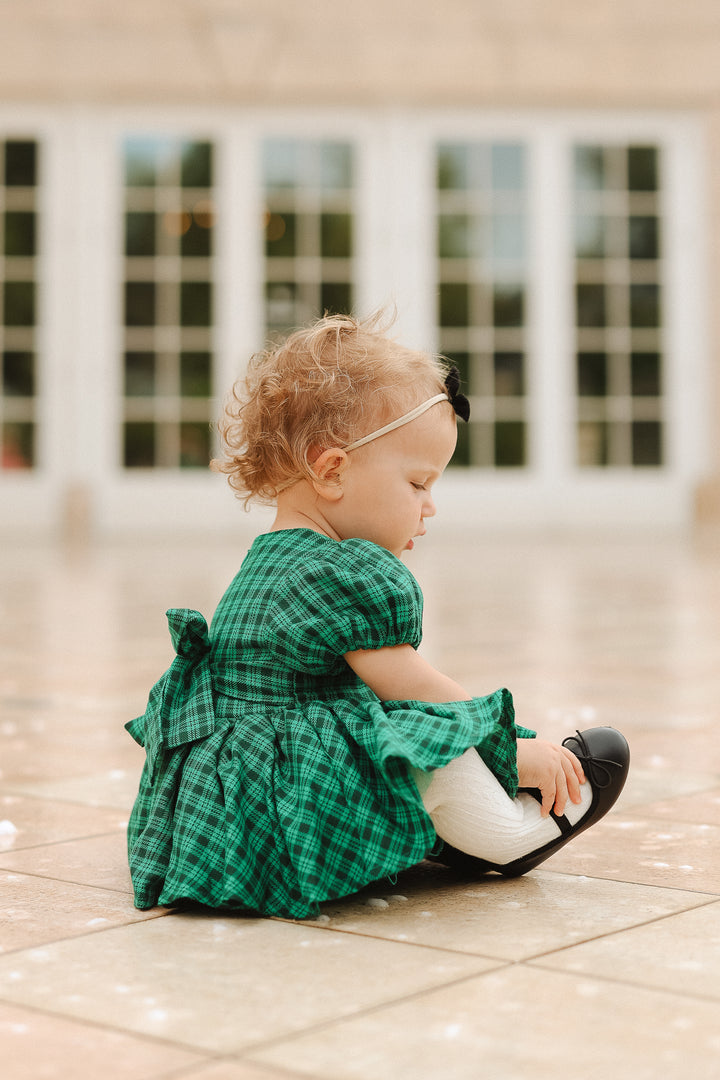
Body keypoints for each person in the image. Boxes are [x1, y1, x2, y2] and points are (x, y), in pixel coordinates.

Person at [125, 312, 629, 919]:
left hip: (232, 807)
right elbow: (420, 692)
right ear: (332, 470)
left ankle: (422, 832)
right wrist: (512, 751)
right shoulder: (343, 572)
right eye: (418, 483)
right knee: (423, 744)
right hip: (288, 792)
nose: (430, 506)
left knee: (381, 722)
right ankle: (510, 833)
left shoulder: (267, 561)